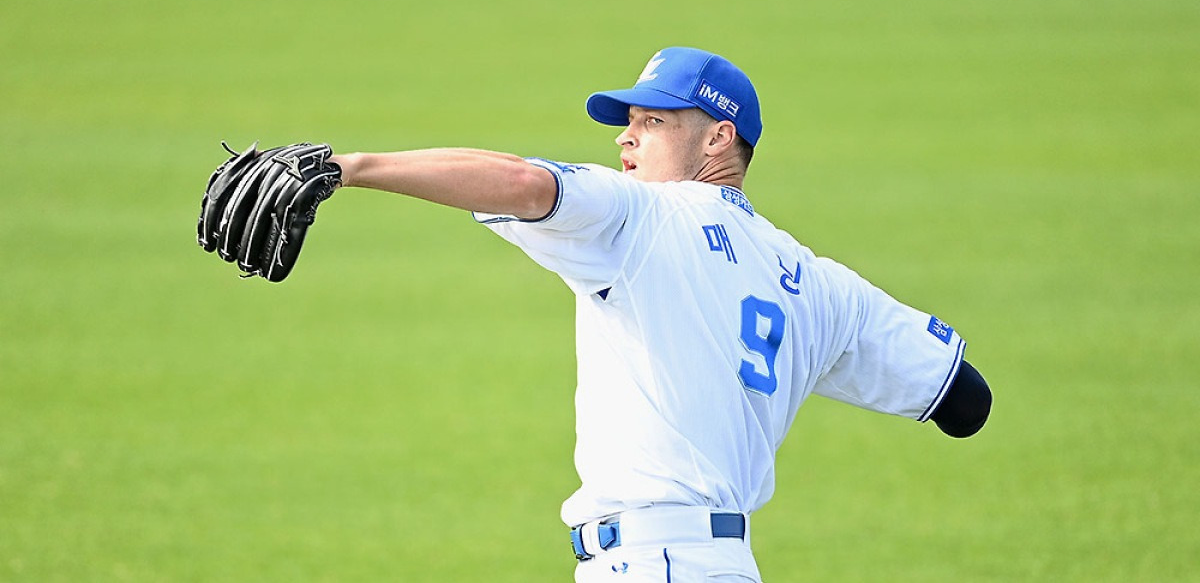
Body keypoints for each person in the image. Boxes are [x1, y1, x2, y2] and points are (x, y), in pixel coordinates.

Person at [329, 47, 991, 582]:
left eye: (653, 122)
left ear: (719, 138)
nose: (626, 138)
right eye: (630, 121)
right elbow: (965, 402)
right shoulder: (819, 283)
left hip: (652, 564)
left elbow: (526, 183)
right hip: (726, 564)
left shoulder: (643, 216)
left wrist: (352, 168)